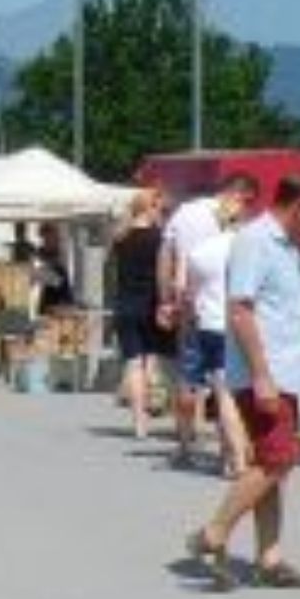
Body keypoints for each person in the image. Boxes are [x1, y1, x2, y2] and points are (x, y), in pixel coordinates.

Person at [185, 173, 300, 591]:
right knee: (278, 459)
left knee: (273, 463)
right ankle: (212, 534)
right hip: (268, 373)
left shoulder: (288, 248)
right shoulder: (255, 241)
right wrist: (262, 375)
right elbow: (240, 311)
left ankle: (269, 558)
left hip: (288, 372)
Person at [160, 172, 257, 475]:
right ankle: (238, 455)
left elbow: (183, 289)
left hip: (210, 325)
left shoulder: (200, 252)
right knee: (242, 393)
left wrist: (172, 306)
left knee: (215, 390)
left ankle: (216, 452)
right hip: (246, 326)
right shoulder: (251, 248)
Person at [106, 187, 169, 440]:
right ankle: (157, 404)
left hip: (124, 305)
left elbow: (112, 272)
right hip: (150, 304)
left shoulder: (120, 237)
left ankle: (139, 423)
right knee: (152, 361)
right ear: (151, 208)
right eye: (160, 209)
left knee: (133, 364)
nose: (161, 214)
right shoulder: (159, 238)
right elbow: (163, 273)